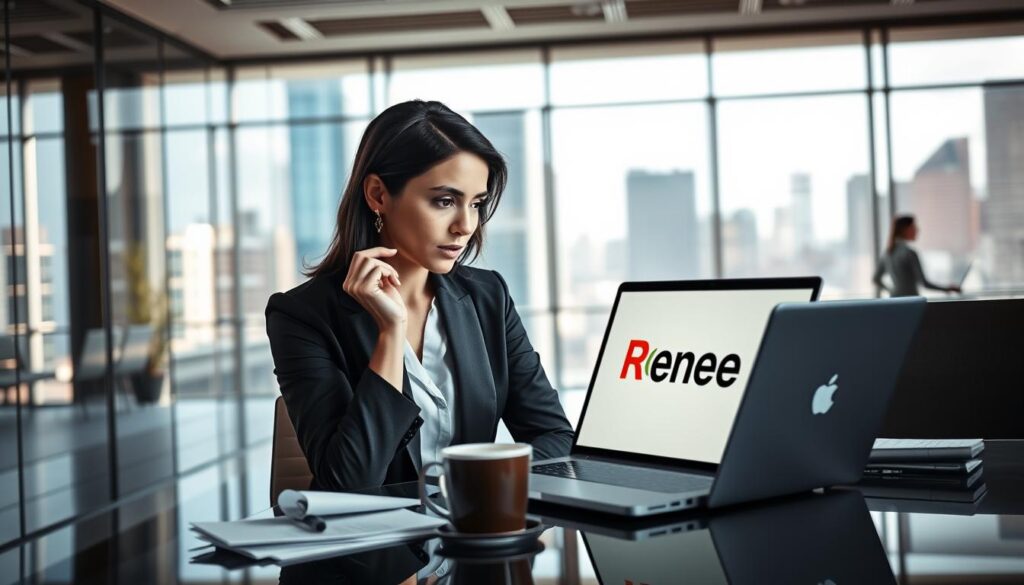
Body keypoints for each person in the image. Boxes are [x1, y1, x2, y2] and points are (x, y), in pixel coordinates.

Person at [265, 100, 573, 492]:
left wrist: (473, 487)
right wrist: (390, 335)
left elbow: (556, 439)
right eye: (444, 201)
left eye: (475, 203)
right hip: (374, 550)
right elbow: (347, 483)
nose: (465, 225)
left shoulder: (487, 297)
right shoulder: (301, 316)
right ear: (378, 195)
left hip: (474, 540)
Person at [873, 214, 961, 297]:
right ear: (905, 229)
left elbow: (876, 279)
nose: (917, 230)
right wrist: (947, 289)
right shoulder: (909, 253)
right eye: (914, 227)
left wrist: (891, 290)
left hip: (894, 299)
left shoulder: (887, 253)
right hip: (911, 301)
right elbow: (924, 283)